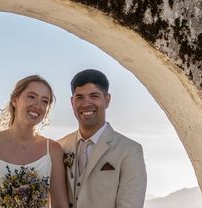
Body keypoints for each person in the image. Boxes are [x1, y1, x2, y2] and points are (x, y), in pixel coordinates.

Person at [0, 75, 69, 208]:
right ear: (15, 100)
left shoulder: (53, 150)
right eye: (31, 97)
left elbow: (60, 204)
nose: (38, 105)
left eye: (45, 101)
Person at [58, 69, 146, 208]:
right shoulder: (60, 146)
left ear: (107, 100)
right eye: (79, 97)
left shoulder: (130, 150)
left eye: (94, 96)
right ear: (72, 102)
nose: (86, 103)